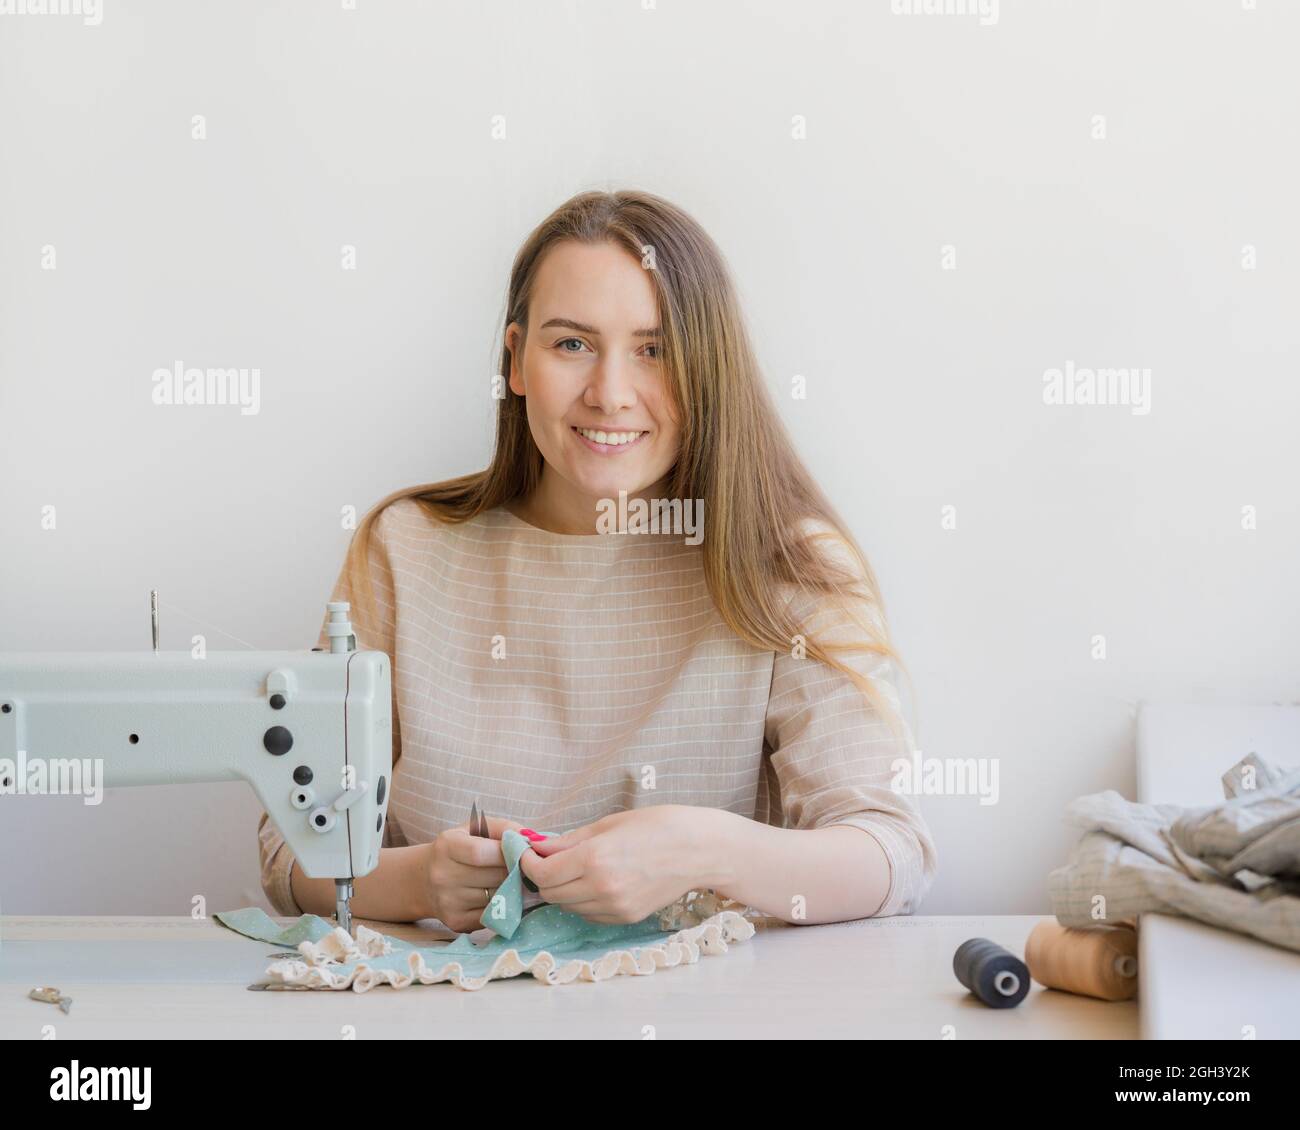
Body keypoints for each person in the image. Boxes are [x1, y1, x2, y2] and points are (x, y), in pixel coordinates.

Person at [258, 189, 937, 932]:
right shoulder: (403, 549)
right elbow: (286, 850)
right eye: (571, 344)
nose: (611, 394)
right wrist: (417, 882)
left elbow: (891, 854)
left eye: (655, 350)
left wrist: (702, 849)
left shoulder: (785, 565)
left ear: (706, 371)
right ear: (516, 362)